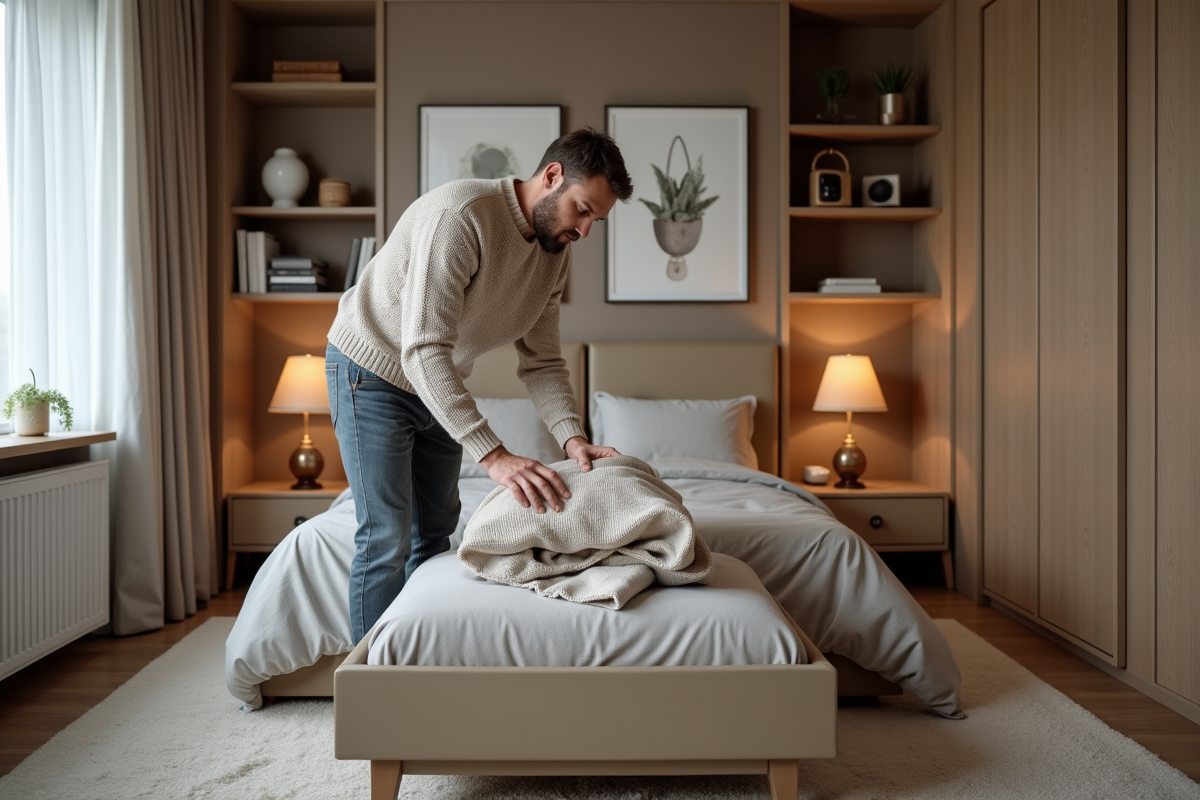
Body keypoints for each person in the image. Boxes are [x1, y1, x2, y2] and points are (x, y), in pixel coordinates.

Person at [325, 127, 634, 643]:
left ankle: (416, 665)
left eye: (595, 221)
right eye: (582, 210)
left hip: (437, 385)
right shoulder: (462, 216)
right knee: (386, 537)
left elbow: (543, 362)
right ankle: (370, 689)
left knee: (435, 533)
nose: (584, 230)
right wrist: (493, 455)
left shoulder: (552, 255)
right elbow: (422, 348)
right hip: (371, 372)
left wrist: (571, 437)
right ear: (552, 177)